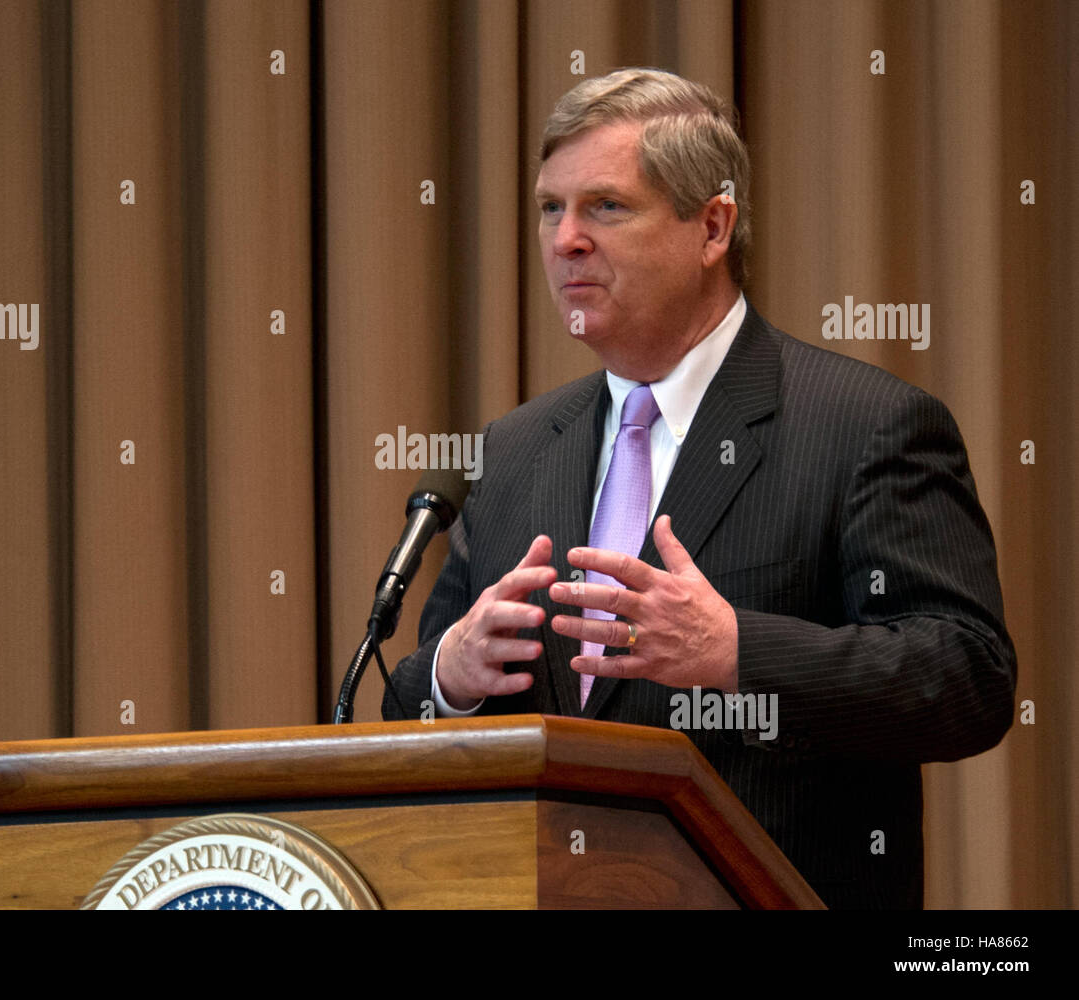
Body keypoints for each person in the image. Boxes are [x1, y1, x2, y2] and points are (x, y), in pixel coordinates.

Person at [381, 68, 1016, 909]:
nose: (565, 238)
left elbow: (967, 679)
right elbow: (409, 708)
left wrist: (736, 652)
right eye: (549, 208)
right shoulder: (513, 450)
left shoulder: (865, 425)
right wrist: (449, 680)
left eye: (605, 206)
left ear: (712, 226)